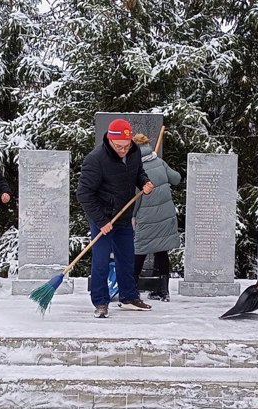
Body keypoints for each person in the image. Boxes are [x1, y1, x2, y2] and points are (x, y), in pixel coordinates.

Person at [77, 119, 155, 319]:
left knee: (127, 258)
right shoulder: (96, 159)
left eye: (127, 146)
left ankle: (128, 297)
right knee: (101, 261)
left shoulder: (134, 152)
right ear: (110, 140)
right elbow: (84, 194)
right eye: (119, 146)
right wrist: (102, 221)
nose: (123, 150)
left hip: (123, 216)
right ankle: (101, 302)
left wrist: (145, 183)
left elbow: (138, 173)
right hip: (102, 218)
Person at [131, 133, 181, 302]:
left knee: (139, 251)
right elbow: (176, 179)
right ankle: (164, 291)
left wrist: (132, 215)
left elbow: (137, 195)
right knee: (161, 251)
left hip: (146, 216)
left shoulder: (136, 166)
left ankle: (132, 290)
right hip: (166, 215)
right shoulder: (159, 162)